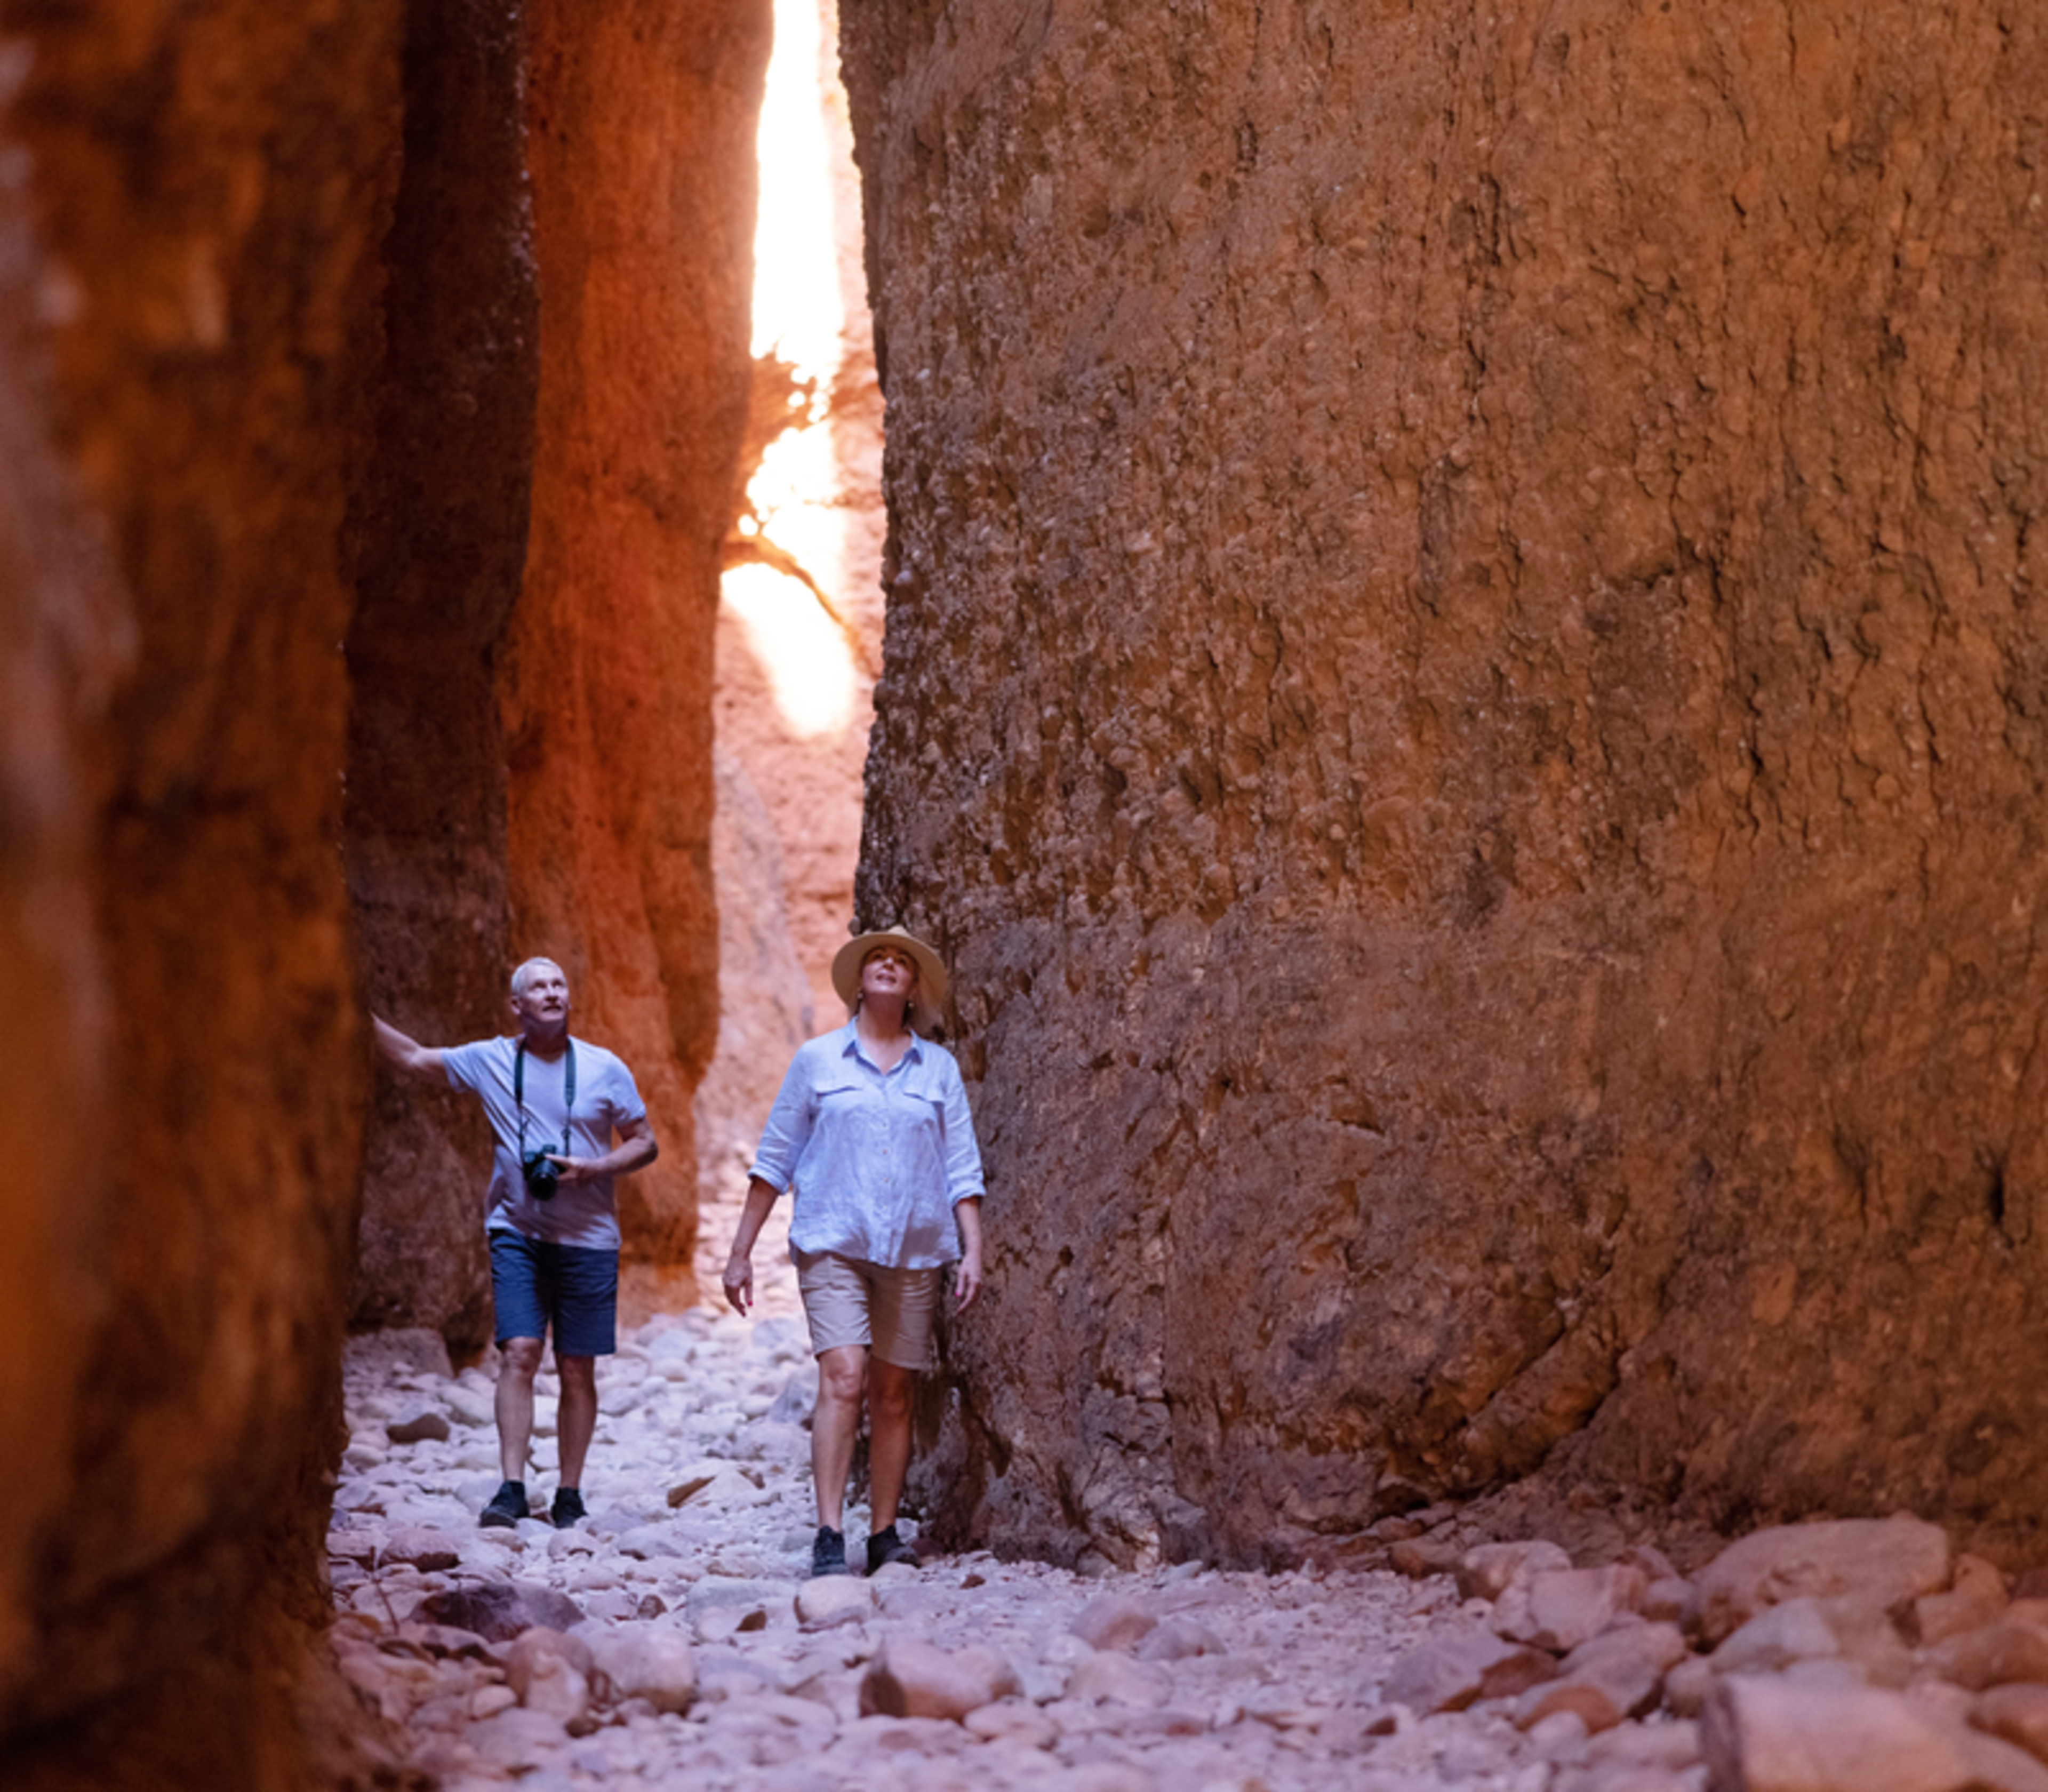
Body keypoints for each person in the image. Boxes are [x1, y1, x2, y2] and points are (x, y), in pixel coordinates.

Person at [723, 928, 985, 1578]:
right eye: (878, 959)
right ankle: (829, 1531)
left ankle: (885, 1531)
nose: (890, 966)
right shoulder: (818, 1061)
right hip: (833, 1241)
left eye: (901, 962)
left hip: (916, 1247)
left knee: (894, 1394)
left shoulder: (939, 1069)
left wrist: (973, 1249)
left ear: (913, 987)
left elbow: (962, 1167)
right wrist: (740, 1252)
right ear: (860, 982)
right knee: (844, 1376)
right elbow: (775, 1157)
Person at [373, 957, 657, 1529]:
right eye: (539, 987)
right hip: (517, 1232)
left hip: (589, 1238)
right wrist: (349, 1005)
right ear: (517, 1006)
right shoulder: (491, 1060)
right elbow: (412, 1057)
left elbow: (645, 1143)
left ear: (569, 999)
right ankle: (511, 1486)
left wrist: (596, 1166)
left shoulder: (604, 1068)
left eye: (559, 985)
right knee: (519, 1353)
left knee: (577, 1367)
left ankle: (570, 1492)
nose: (552, 994)